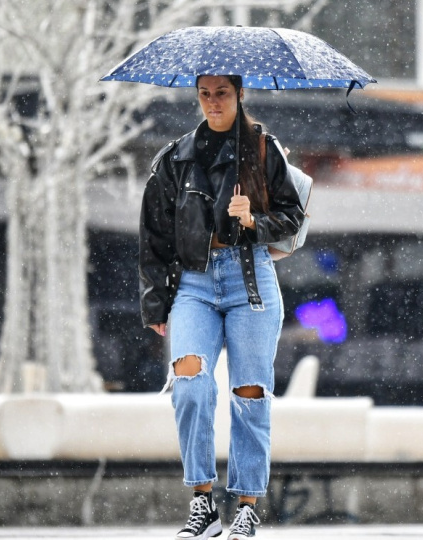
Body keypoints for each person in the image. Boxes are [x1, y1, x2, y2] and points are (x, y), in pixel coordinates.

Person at [139, 74, 304, 540]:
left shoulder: (264, 150)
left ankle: (247, 506)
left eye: (222, 94)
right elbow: (153, 233)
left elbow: (293, 217)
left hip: (250, 280)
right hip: (194, 282)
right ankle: (202, 502)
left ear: (239, 95)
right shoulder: (175, 158)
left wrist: (253, 220)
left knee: (249, 393)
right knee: (189, 383)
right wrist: (155, 301)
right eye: (205, 95)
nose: (213, 103)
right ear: (198, 97)